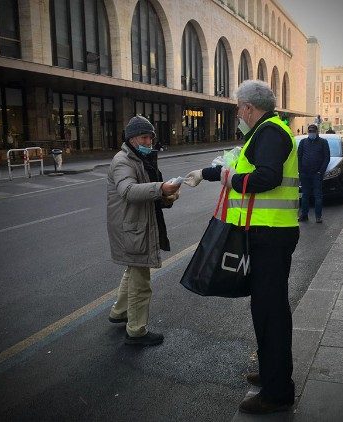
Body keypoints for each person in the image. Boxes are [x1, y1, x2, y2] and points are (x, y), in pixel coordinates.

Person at [183, 80, 300, 415]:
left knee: (271, 313)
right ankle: (271, 373)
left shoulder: (271, 133)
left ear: (250, 107)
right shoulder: (262, 132)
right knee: (264, 310)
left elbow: (267, 177)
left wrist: (232, 182)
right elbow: (234, 164)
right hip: (265, 236)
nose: (237, 113)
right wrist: (205, 173)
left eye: (238, 107)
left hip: (271, 238)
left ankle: (278, 393)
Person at [106, 115, 180, 347]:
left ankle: (119, 312)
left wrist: (166, 195)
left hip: (136, 225)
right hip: (132, 227)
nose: (149, 141)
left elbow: (150, 195)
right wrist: (160, 188)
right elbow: (128, 190)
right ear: (131, 138)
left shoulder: (141, 159)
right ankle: (136, 331)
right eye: (144, 137)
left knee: (134, 270)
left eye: (151, 137)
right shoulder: (123, 161)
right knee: (141, 281)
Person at [297, 124, 330, 223]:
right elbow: (299, 157)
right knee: (305, 195)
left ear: (317, 132)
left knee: (318, 196)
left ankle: (318, 216)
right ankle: (304, 215)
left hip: (317, 174)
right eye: (310, 131)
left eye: (313, 131)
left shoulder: (323, 142)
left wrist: (321, 171)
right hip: (305, 174)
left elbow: (326, 158)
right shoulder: (303, 142)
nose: (311, 133)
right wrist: (300, 170)